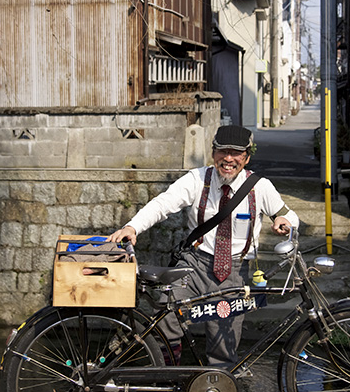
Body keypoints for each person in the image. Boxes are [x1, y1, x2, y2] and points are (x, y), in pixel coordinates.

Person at [108, 125, 299, 366]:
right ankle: (167, 386)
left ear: (247, 157)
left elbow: (290, 216)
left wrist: (284, 222)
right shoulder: (198, 179)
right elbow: (163, 204)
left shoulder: (260, 187)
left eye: (236, 153)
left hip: (234, 273)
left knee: (224, 344)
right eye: (222, 151)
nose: (228, 159)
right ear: (213, 152)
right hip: (194, 265)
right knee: (167, 324)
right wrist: (132, 227)